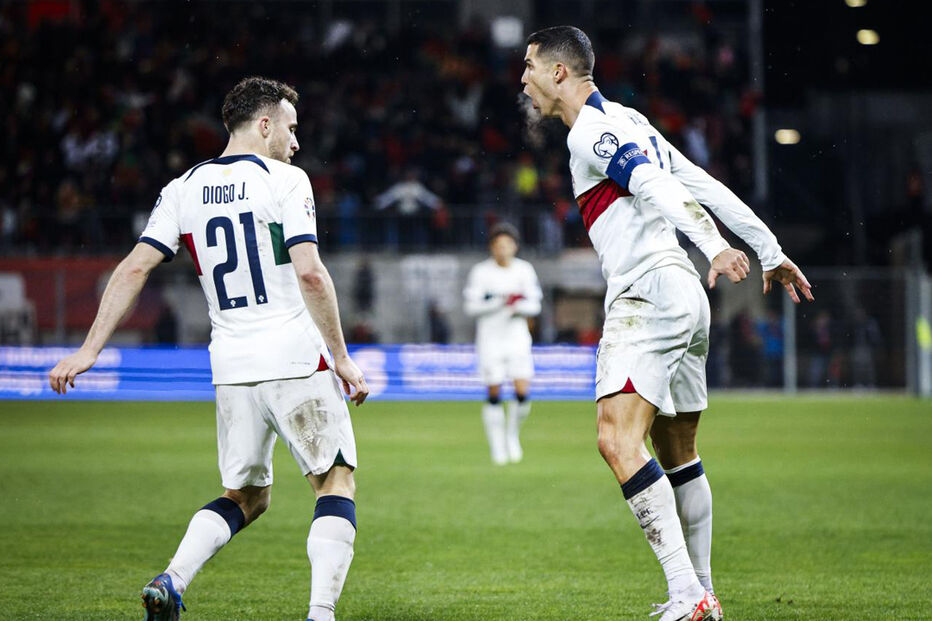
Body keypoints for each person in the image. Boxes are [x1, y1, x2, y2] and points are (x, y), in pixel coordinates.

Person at [48, 77, 369, 621]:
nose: (296, 142)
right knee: (334, 481)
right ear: (263, 125)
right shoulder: (287, 181)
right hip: (293, 356)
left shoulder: (181, 189)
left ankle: (172, 579)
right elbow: (311, 274)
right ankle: (320, 613)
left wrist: (88, 349)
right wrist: (340, 356)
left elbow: (134, 267)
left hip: (231, 365)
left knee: (247, 496)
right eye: (291, 129)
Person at [520, 26, 814, 621]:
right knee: (676, 451)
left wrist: (713, 246)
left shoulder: (593, 133)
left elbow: (657, 188)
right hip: (683, 296)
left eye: (528, 66)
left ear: (559, 73)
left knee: (616, 439)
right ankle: (704, 593)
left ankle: (687, 592)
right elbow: (701, 182)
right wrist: (768, 248)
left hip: (649, 292)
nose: (521, 78)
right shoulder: (629, 120)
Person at [464, 222, 542, 464]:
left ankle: (512, 436)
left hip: (517, 339)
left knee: (522, 391)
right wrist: (499, 302)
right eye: (499, 245)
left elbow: (535, 305)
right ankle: (497, 446)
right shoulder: (480, 272)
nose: (503, 249)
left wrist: (516, 305)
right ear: (492, 247)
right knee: (494, 391)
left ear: (515, 247)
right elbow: (471, 307)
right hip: (490, 340)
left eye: (507, 245)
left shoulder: (524, 270)